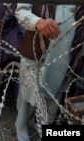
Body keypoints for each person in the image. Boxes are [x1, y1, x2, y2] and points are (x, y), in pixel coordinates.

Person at [15, 4, 77, 141]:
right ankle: (21, 125)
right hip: (37, 47)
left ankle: (45, 126)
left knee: (54, 92)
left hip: (66, 49)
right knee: (28, 91)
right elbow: (21, 11)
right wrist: (38, 22)